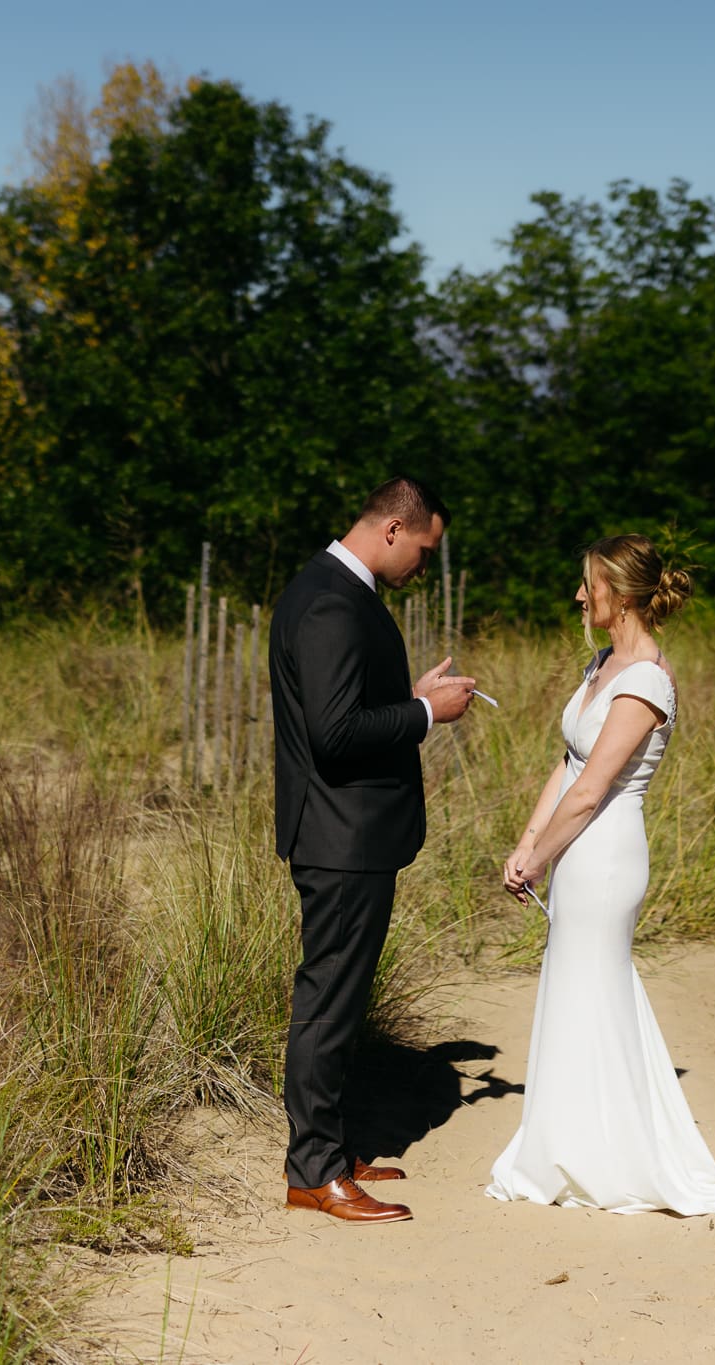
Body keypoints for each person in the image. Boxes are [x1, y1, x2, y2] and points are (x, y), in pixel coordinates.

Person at [486, 534, 715, 1216]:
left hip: (603, 857)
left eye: (589, 584)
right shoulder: (602, 664)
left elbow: (592, 790)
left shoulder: (646, 681)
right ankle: (573, 1140)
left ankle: (608, 1155)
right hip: (573, 848)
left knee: (594, 987)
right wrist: (526, 843)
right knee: (575, 991)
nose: (579, 595)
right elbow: (565, 766)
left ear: (621, 594)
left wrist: (540, 855)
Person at [269, 476, 476, 1224]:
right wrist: (425, 711)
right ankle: (313, 1172)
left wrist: (408, 693)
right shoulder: (330, 601)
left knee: (343, 999)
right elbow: (333, 733)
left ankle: (330, 1147)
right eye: (423, 550)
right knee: (327, 1000)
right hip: (340, 835)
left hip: (347, 833)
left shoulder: (335, 591)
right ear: (393, 528)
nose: (424, 565)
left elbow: (347, 707)